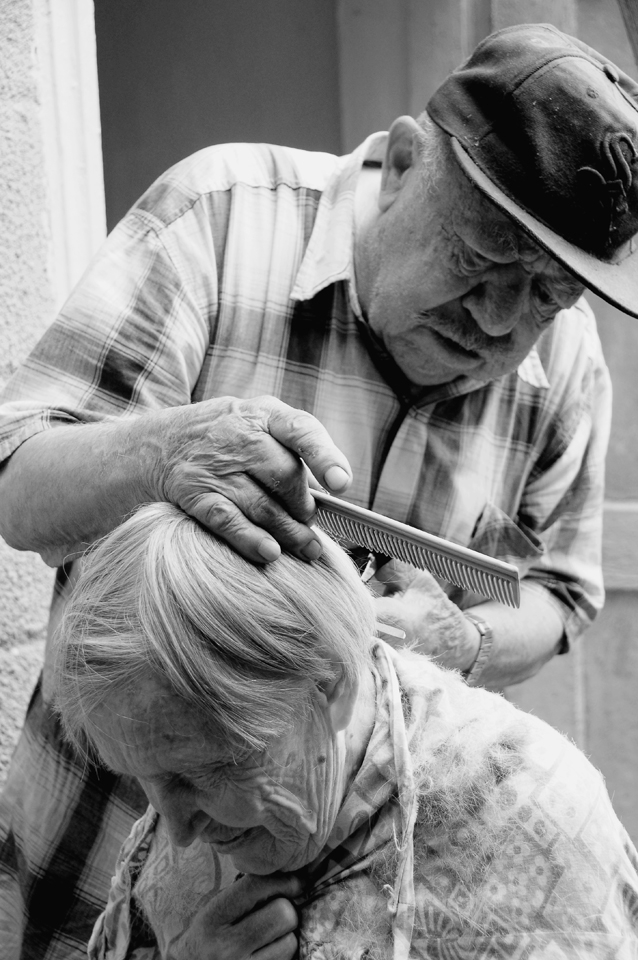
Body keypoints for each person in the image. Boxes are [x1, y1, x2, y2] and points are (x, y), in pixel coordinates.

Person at [0, 20, 636, 958]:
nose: (501, 322)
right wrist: (165, 452)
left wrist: (462, 637)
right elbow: (17, 483)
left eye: (546, 294)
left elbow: (558, 595)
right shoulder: (218, 221)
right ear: (410, 161)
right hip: (102, 865)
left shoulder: (568, 374)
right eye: (482, 257)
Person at [53, 502, 638, 959]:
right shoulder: (183, 764)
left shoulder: (525, 813)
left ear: (333, 686)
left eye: (209, 771)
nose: (174, 832)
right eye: (146, 782)